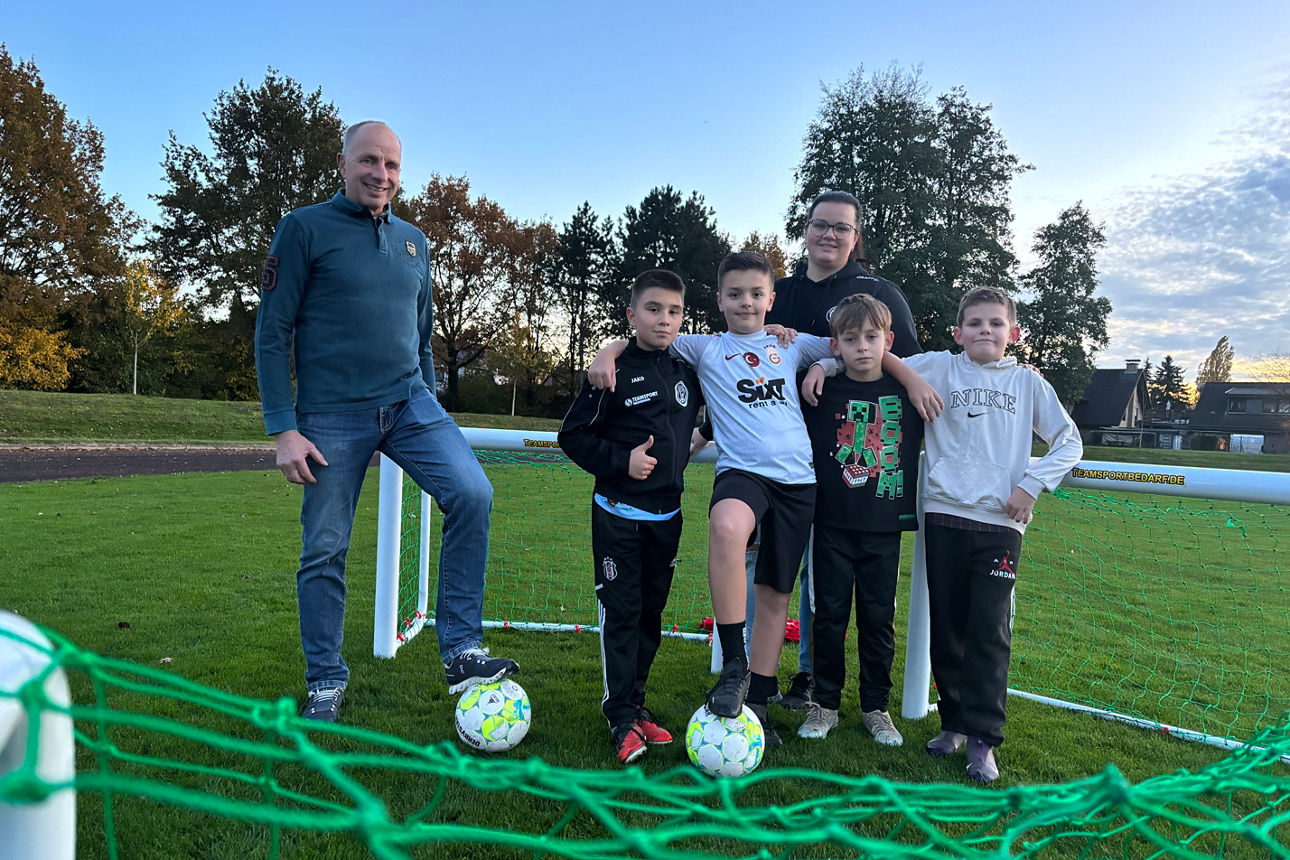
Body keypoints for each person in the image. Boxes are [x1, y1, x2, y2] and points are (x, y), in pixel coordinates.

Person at [589, 251, 938, 748]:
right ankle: (734, 664)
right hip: (743, 474)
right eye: (735, 294)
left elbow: (861, 344)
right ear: (719, 301)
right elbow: (648, 333)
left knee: (775, 592)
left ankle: (757, 701)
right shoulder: (705, 347)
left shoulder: (791, 345)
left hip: (799, 482)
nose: (746, 303)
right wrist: (607, 350)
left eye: (756, 294)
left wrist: (840, 367)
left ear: (771, 299)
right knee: (727, 527)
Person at [254, 120, 516, 722]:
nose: (382, 174)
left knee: (473, 492)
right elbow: (273, 333)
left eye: (393, 165)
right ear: (343, 162)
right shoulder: (302, 229)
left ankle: (461, 649)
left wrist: (426, 398)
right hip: (329, 417)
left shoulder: (414, 240)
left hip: (409, 404)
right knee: (324, 548)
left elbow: (422, 332)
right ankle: (325, 679)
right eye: (370, 161)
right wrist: (283, 427)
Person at [805, 287, 1081, 781]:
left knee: (989, 632)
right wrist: (823, 366)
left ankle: (982, 740)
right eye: (974, 323)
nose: (985, 331)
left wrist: (1033, 484)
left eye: (996, 324)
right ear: (958, 333)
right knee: (947, 628)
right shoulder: (939, 366)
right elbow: (877, 355)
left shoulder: (1027, 383)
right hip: (942, 516)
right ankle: (953, 723)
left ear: (1013, 334)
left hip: (1001, 522)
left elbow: (1069, 440)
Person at [760, 190, 922, 712]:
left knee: (848, 591)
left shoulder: (877, 291)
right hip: (780, 455)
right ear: (804, 230)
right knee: (789, 572)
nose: (829, 234)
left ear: (856, 238)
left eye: (841, 227)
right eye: (819, 224)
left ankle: (817, 682)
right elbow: (740, 353)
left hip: (854, 462)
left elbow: (905, 360)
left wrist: (827, 367)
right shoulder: (776, 292)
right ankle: (761, 671)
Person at [558, 270, 703, 764]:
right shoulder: (609, 372)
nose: (664, 320)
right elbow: (573, 437)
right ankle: (619, 716)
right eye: (653, 309)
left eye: (674, 311)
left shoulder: (686, 371)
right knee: (620, 616)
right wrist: (624, 462)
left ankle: (636, 705)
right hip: (619, 516)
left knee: (650, 617)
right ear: (631, 315)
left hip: (669, 517)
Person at [798, 293, 924, 745]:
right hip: (830, 524)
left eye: (872, 337)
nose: (863, 347)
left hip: (884, 527)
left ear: (888, 340)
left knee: (878, 620)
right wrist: (818, 367)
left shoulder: (910, 390)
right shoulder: (819, 389)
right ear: (836, 346)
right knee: (828, 617)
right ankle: (825, 704)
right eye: (850, 339)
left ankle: (876, 708)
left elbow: (969, 367)